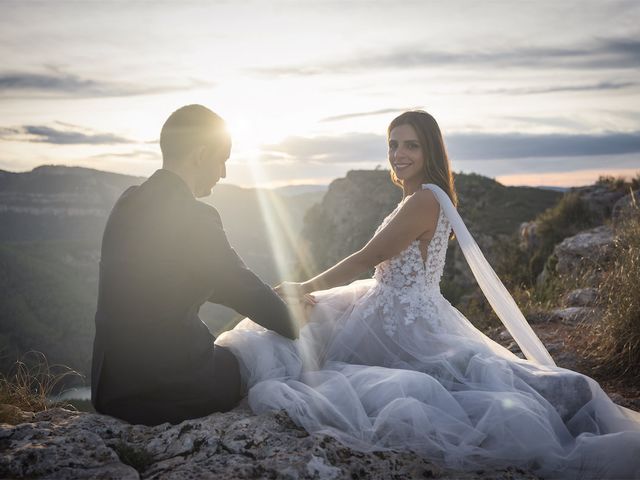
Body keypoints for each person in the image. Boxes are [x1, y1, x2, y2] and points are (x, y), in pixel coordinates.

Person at [216, 111, 640, 479]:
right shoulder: (418, 198)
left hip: (401, 320)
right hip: (388, 304)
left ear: (430, 152)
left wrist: (303, 286)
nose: (399, 153)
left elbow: (369, 256)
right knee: (309, 335)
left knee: (449, 385)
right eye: (393, 144)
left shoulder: (423, 200)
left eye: (411, 146)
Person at [91, 104, 299, 426]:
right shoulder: (196, 216)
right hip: (172, 391)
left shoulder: (128, 200)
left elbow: (184, 275)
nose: (224, 173)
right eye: (223, 160)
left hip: (111, 391)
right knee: (261, 355)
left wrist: (263, 294)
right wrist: (295, 319)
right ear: (201, 155)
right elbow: (239, 286)